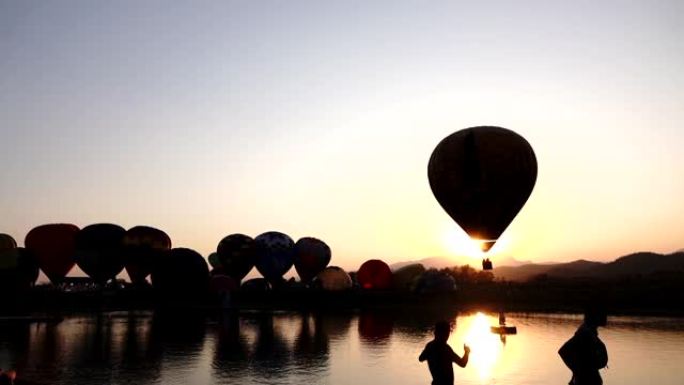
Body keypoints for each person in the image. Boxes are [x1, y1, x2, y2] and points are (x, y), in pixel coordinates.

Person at [558, 307, 608, 385]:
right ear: (595, 317)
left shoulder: (590, 332)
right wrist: (578, 371)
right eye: (602, 314)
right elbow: (563, 351)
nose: (605, 317)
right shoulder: (584, 333)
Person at [419, 321, 470, 385]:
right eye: (447, 333)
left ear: (435, 333)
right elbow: (462, 364)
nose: (448, 335)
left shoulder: (430, 346)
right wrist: (467, 352)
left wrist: (428, 351)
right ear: (442, 333)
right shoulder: (446, 349)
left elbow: (421, 358)